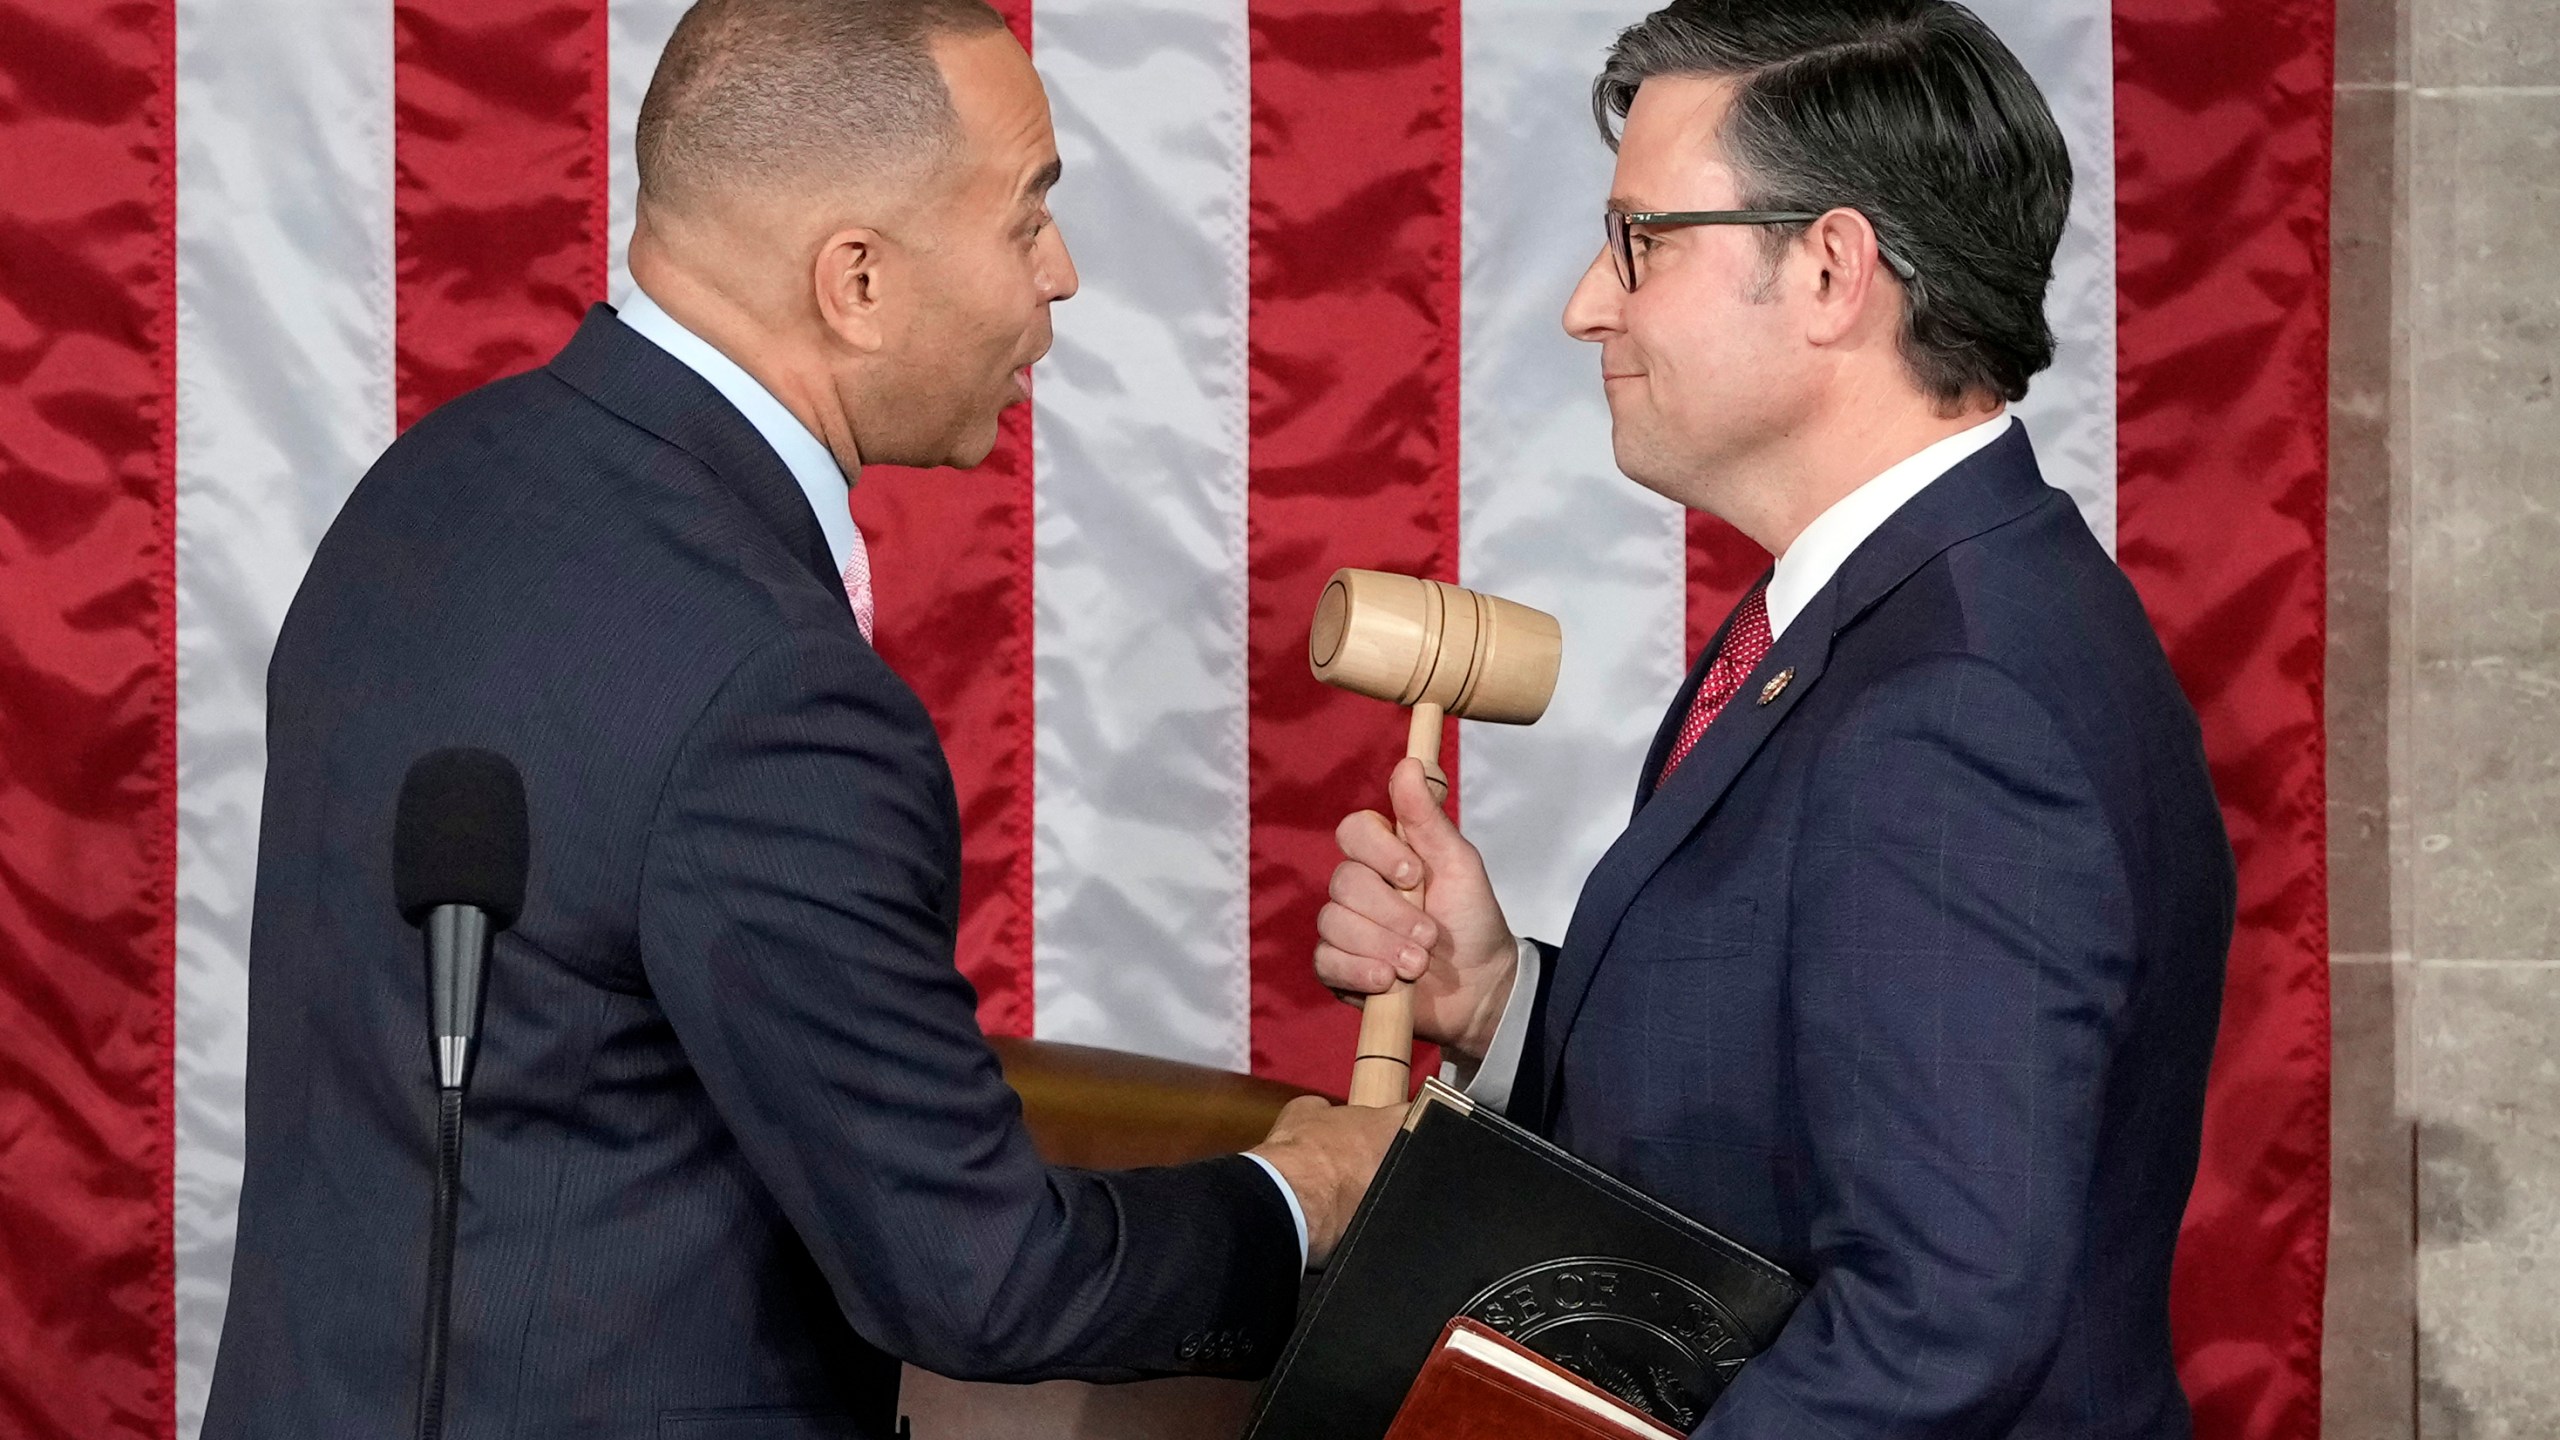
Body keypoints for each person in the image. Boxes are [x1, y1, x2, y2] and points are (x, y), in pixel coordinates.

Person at [202, 2, 1399, 1436]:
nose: (1062, 279)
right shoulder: (771, 689)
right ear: (857, 283)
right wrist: (1307, 1192)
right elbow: (982, 1280)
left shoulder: (426, 491)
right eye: (1028, 220)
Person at [1315, 2, 2236, 1436]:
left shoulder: (1958, 698)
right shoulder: (1871, 620)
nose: (1585, 303)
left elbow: (1938, 1327)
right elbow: (1777, 1108)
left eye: (1641, 241)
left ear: (1829, 269)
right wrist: (1497, 1001)